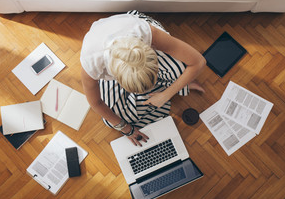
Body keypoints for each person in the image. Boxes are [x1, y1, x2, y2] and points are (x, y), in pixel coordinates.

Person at [80, 11, 206, 146]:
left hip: (139, 37)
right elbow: (96, 103)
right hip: (111, 55)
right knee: (110, 118)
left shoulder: (148, 33)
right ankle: (181, 84)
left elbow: (198, 62)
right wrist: (127, 129)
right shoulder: (91, 63)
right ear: (116, 77)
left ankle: (179, 84)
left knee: (179, 68)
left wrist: (166, 95)